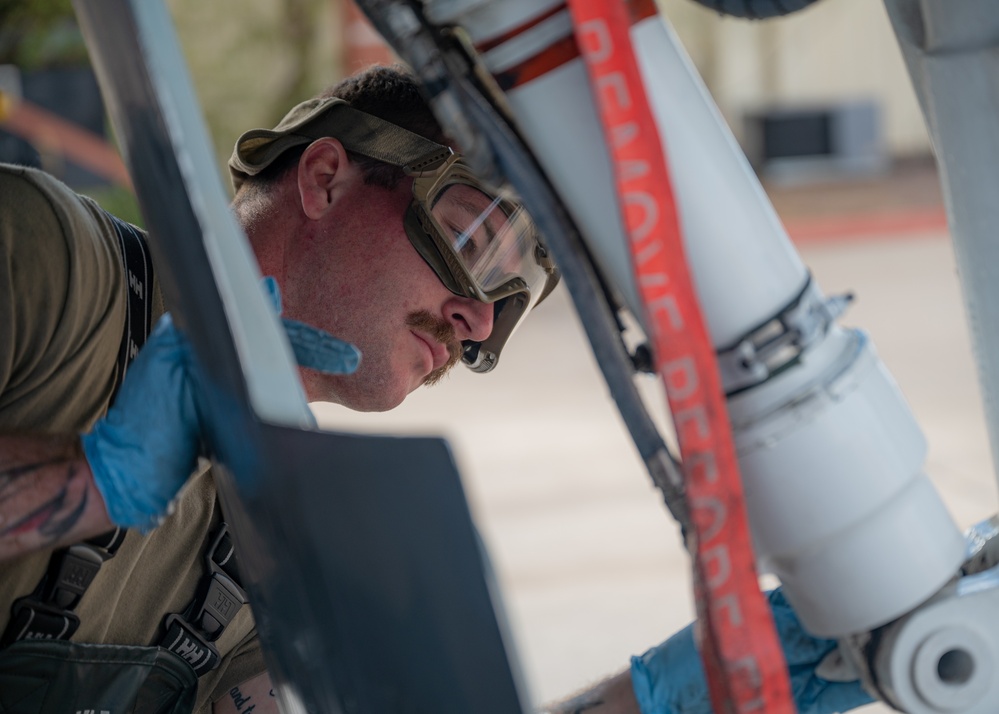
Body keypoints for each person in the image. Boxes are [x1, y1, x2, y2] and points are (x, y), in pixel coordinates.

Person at [0, 63, 871, 714]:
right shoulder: (48, 263)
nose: (479, 320)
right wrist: (92, 482)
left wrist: (662, 698)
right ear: (325, 176)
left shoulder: (284, 541)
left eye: (509, 299)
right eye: (474, 246)